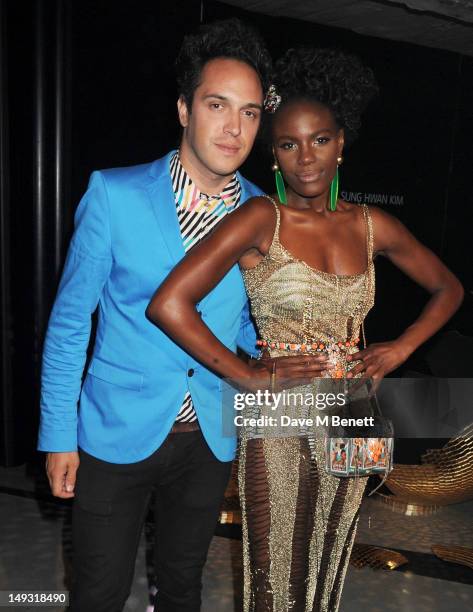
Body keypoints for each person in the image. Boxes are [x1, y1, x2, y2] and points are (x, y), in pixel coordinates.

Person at [146, 47, 464, 611]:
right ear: (274, 156)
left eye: (319, 139)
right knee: (277, 565)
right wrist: (247, 374)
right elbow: (170, 302)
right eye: (289, 144)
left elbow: (450, 288)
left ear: (340, 143)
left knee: (333, 554)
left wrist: (402, 348)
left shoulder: (371, 224)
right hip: (281, 406)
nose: (306, 157)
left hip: (357, 404)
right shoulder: (260, 218)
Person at [38, 19, 327, 612]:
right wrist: (58, 435)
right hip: (114, 432)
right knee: (98, 592)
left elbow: (247, 324)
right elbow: (70, 324)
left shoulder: (263, 213)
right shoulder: (114, 195)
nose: (234, 127)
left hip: (209, 438)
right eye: (217, 104)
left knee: (182, 587)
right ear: (183, 109)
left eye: (249, 113)